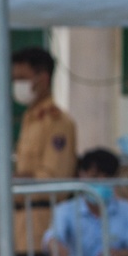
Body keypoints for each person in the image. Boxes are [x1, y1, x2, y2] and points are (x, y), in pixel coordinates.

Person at [43, 148, 128, 256]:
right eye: (95, 176)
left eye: (107, 177)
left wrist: (125, 254)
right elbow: (53, 236)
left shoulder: (127, 211)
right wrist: (55, 246)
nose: (101, 182)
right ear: (81, 175)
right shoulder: (65, 210)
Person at [12, 47, 78, 180]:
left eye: (22, 78)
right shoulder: (30, 117)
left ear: (43, 79)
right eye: (14, 79)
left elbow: (53, 178)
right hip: (22, 199)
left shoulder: (57, 122)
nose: (17, 84)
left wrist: (11, 185)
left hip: (43, 200)